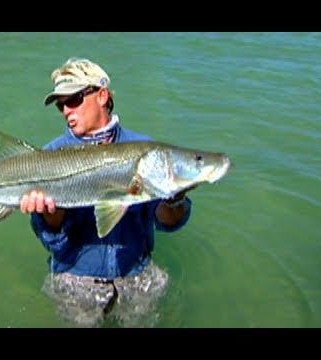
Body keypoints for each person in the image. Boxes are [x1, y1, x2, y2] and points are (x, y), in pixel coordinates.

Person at [19, 57, 193, 327]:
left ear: (102, 96)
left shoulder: (146, 151)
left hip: (137, 276)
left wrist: (176, 199)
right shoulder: (48, 155)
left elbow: (168, 222)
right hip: (76, 280)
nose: (66, 110)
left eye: (74, 99)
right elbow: (53, 241)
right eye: (60, 104)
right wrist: (49, 214)